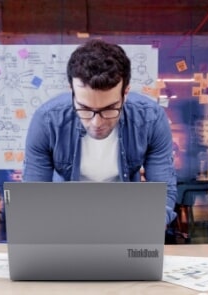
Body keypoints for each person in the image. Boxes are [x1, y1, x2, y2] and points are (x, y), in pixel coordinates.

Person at [23, 39, 178, 225]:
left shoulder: (151, 119)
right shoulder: (47, 121)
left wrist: (149, 225)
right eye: (84, 108)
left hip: (127, 220)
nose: (96, 122)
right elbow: (33, 195)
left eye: (109, 108)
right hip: (66, 220)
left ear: (125, 93)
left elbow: (162, 193)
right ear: (72, 91)